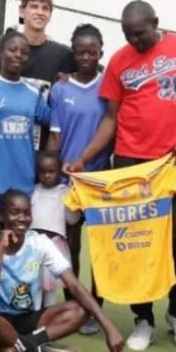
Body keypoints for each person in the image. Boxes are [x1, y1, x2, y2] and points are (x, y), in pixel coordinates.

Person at [65, 0, 176, 352]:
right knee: (136, 241)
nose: (135, 40)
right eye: (129, 35)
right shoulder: (119, 60)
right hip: (131, 163)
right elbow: (110, 118)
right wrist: (84, 157)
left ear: (156, 23)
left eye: (140, 33)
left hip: (174, 163)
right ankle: (142, 317)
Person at [0, 189, 124, 352]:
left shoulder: (39, 242)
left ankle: (16, 346)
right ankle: (37, 351)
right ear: (1, 216)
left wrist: (108, 326)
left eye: (27, 213)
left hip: (26, 319)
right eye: (15, 212)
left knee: (79, 310)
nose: (22, 218)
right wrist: (1, 250)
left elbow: (74, 285)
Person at [46, 24, 108, 334]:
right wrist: (53, 175)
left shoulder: (109, 86)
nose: (86, 56)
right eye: (80, 51)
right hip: (68, 183)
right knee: (69, 246)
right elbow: (55, 138)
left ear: (100, 52)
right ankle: (75, 303)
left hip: (99, 182)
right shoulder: (60, 89)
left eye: (92, 51)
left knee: (100, 247)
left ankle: (97, 307)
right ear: (74, 53)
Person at [0, 30, 52, 244]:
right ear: (0, 53)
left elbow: (52, 119)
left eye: (24, 52)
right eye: (12, 50)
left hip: (22, 181)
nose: (18, 55)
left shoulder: (33, 92)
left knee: (18, 242)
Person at [29, 151, 78, 308]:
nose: (47, 176)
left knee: (50, 290)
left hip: (55, 246)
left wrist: (74, 197)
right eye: (42, 172)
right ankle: (34, 319)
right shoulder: (33, 191)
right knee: (34, 285)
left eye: (51, 172)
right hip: (34, 247)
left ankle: (48, 322)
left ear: (59, 172)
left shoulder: (65, 192)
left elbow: (73, 219)